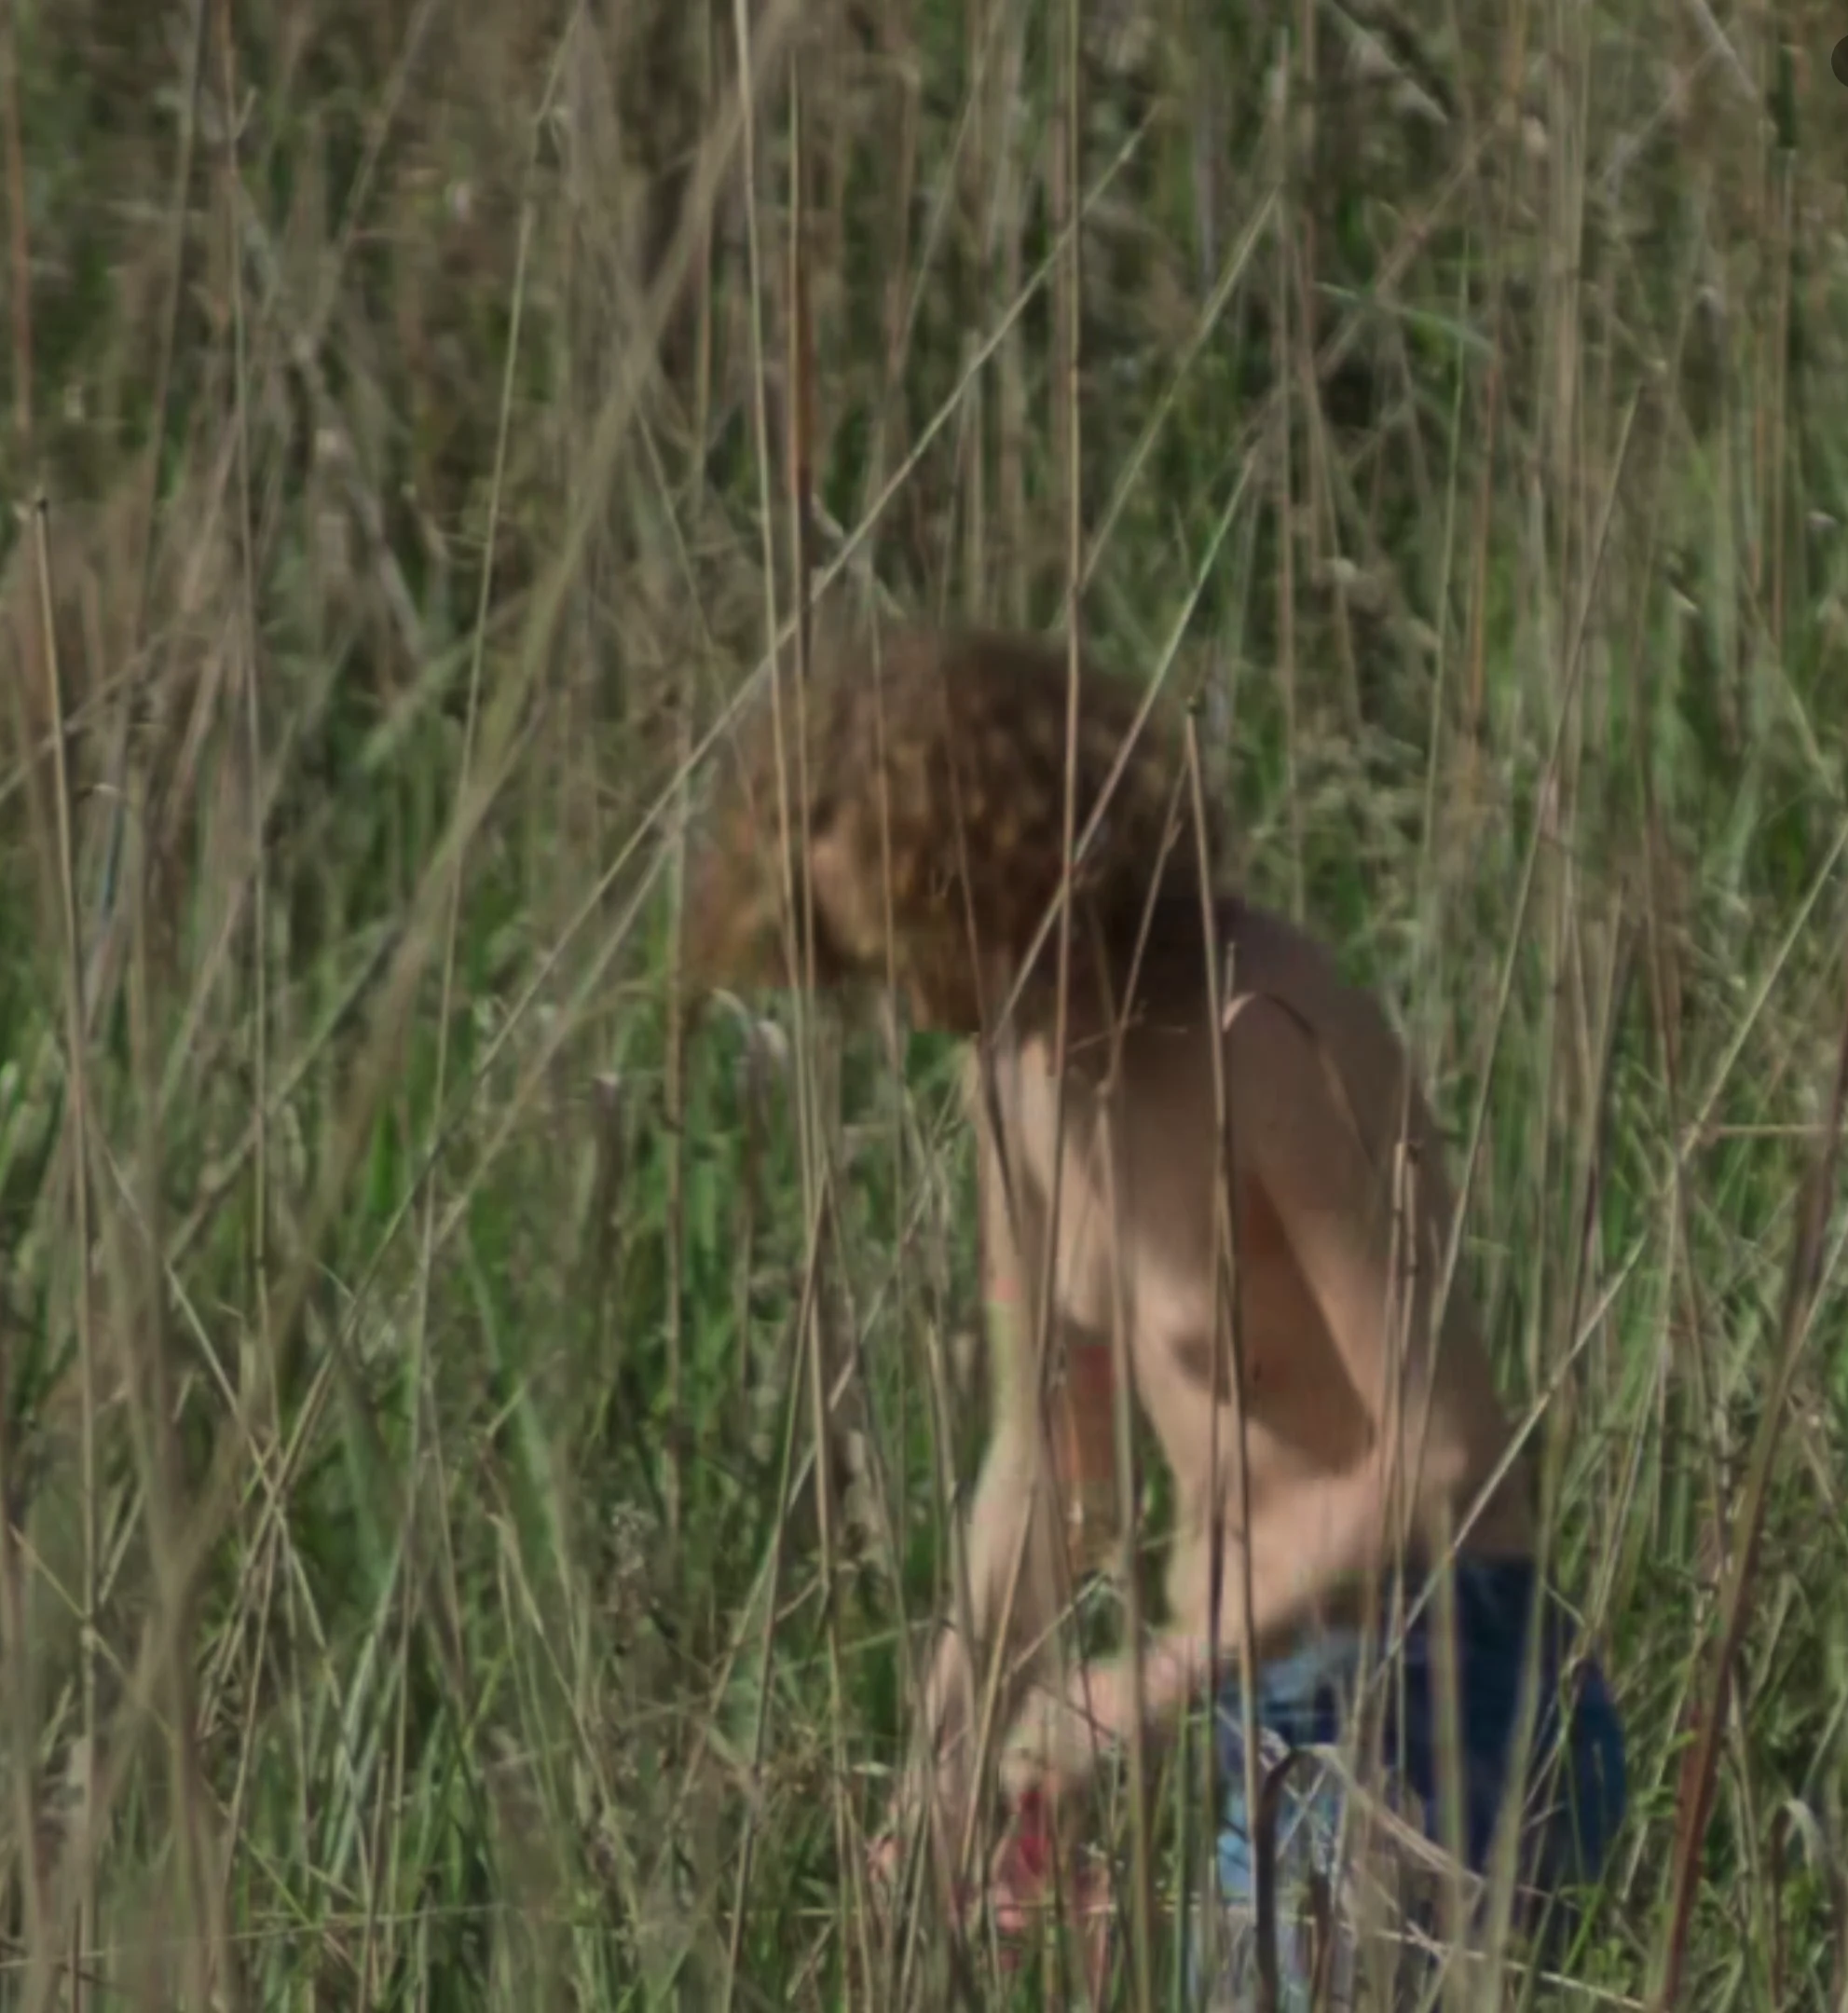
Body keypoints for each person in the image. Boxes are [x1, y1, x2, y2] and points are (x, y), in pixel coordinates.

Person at [678, 623, 1627, 2005]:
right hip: (1268, 1724)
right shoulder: (1009, 1078)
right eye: (884, 971)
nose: (931, 1004)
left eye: (937, 942)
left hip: (1439, 1704)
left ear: (1022, 864)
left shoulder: (1267, 1031)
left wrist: (1144, 1685)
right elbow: (1044, 1477)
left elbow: (1448, 1463)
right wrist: (943, 1770)